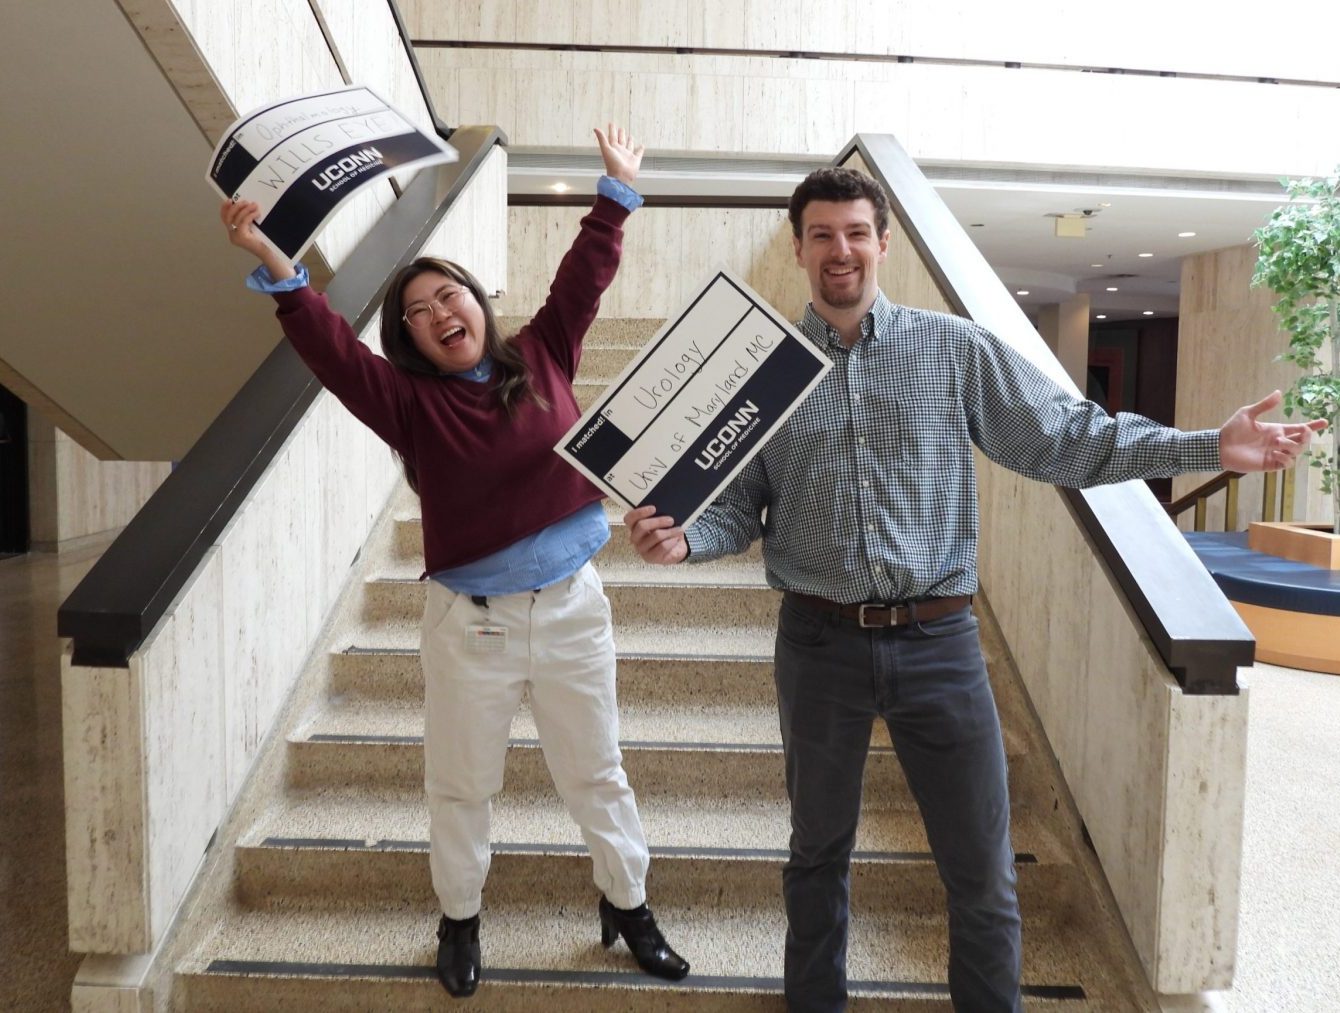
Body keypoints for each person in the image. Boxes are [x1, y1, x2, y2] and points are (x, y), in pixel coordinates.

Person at [624, 167, 1326, 1012]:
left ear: (884, 243)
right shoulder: (768, 373)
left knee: (982, 870)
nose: (840, 249)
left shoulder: (952, 349)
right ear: (799, 247)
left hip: (939, 644)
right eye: (822, 234)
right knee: (816, 855)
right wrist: (687, 539)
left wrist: (1210, 446)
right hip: (817, 644)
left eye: (856, 232)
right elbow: (740, 507)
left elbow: (1067, 439)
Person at [221, 124, 688, 999]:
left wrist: (615, 192)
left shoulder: (545, 352)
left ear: (478, 301)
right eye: (419, 312)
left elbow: (582, 278)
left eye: (450, 295)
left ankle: (628, 905)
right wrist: (275, 261)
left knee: (596, 772)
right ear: (411, 338)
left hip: (573, 608)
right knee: (462, 785)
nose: (441, 314)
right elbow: (328, 345)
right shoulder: (405, 403)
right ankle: (460, 917)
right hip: (471, 627)